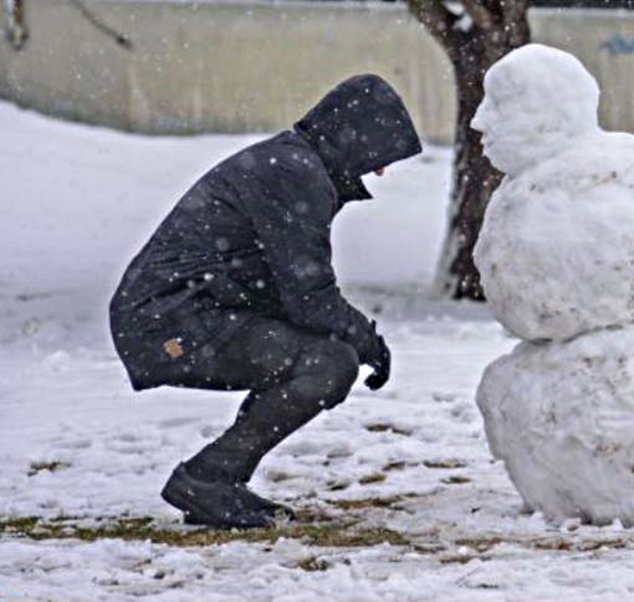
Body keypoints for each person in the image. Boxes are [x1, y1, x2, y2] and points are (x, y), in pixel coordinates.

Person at [109, 74, 422, 529]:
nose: (379, 171)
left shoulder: (296, 163)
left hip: (184, 313)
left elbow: (291, 292)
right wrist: (368, 340)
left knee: (322, 355)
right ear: (357, 136)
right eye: (379, 155)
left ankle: (219, 481)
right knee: (328, 364)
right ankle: (209, 478)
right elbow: (309, 297)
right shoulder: (294, 172)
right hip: (167, 322)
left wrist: (356, 335)